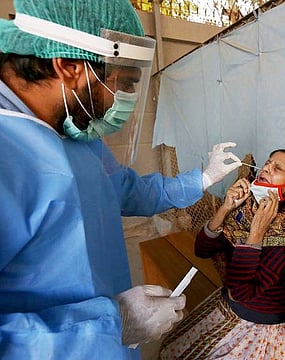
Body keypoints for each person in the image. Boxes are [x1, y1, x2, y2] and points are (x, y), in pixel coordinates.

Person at [0, 1, 241, 359]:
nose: (125, 100)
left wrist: (201, 179)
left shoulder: (74, 132)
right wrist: (111, 322)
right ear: (68, 65)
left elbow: (122, 190)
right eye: (123, 83)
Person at [159, 149, 285, 360]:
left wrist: (256, 233)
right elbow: (202, 250)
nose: (266, 169)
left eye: (277, 168)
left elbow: (241, 292)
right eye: (267, 163)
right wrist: (225, 208)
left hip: (260, 329)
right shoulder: (245, 211)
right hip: (227, 308)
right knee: (170, 351)